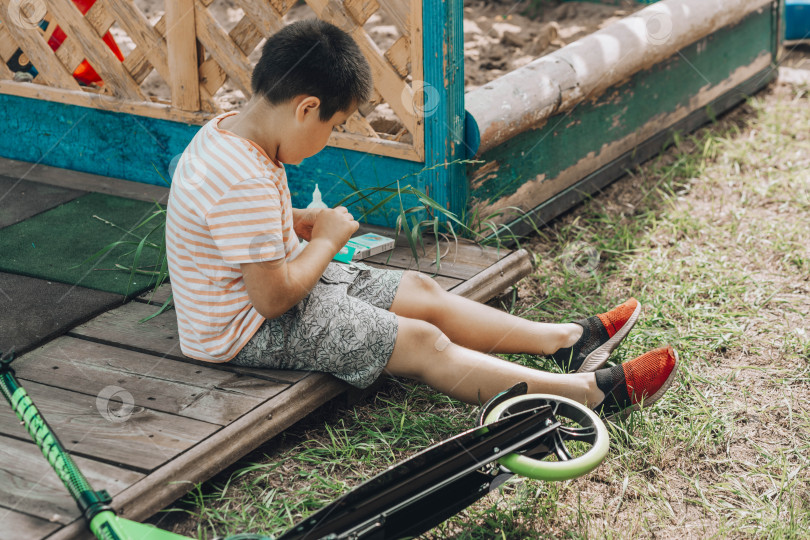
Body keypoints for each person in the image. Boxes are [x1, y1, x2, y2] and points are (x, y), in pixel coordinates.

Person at [165, 19, 677, 421]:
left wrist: (295, 220)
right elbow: (271, 297)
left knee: (419, 291)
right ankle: (587, 395)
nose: (330, 138)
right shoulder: (242, 179)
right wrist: (326, 239)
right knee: (419, 341)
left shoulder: (232, 132)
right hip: (245, 329)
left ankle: (566, 341)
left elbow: (234, 228)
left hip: (268, 292)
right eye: (335, 126)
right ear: (307, 109)